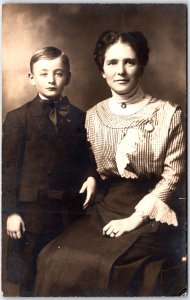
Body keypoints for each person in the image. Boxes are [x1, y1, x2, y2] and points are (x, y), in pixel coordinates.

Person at [34, 31, 186, 296]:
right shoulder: (93, 116)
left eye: (130, 62)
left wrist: (134, 220)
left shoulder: (168, 114)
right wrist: (92, 176)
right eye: (112, 63)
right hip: (105, 207)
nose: (121, 71)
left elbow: (174, 175)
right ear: (102, 70)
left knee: (106, 265)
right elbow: (89, 161)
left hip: (153, 212)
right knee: (52, 258)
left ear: (141, 66)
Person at [2, 46, 97, 296]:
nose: (51, 80)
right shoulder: (17, 118)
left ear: (68, 77)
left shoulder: (79, 117)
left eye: (58, 73)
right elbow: (8, 169)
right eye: (43, 74)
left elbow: (86, 158)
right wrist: (11, 212)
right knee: (30, 280)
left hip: (68, 212)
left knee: (65, 277)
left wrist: (90, 176)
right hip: (31, 214)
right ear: (32, 78)